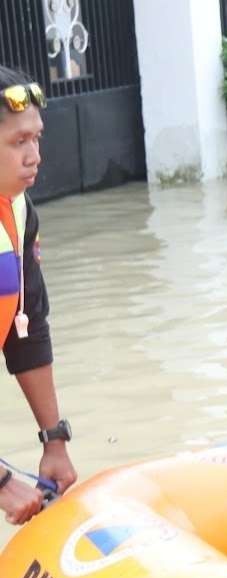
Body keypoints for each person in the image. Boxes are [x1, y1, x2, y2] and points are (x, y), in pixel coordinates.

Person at [0, 66, 77, 524]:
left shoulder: (19, 210)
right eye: (17, 142)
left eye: (37, 139)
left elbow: (27, 328)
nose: (35, 157)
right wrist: (4, 483)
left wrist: (54, 440)